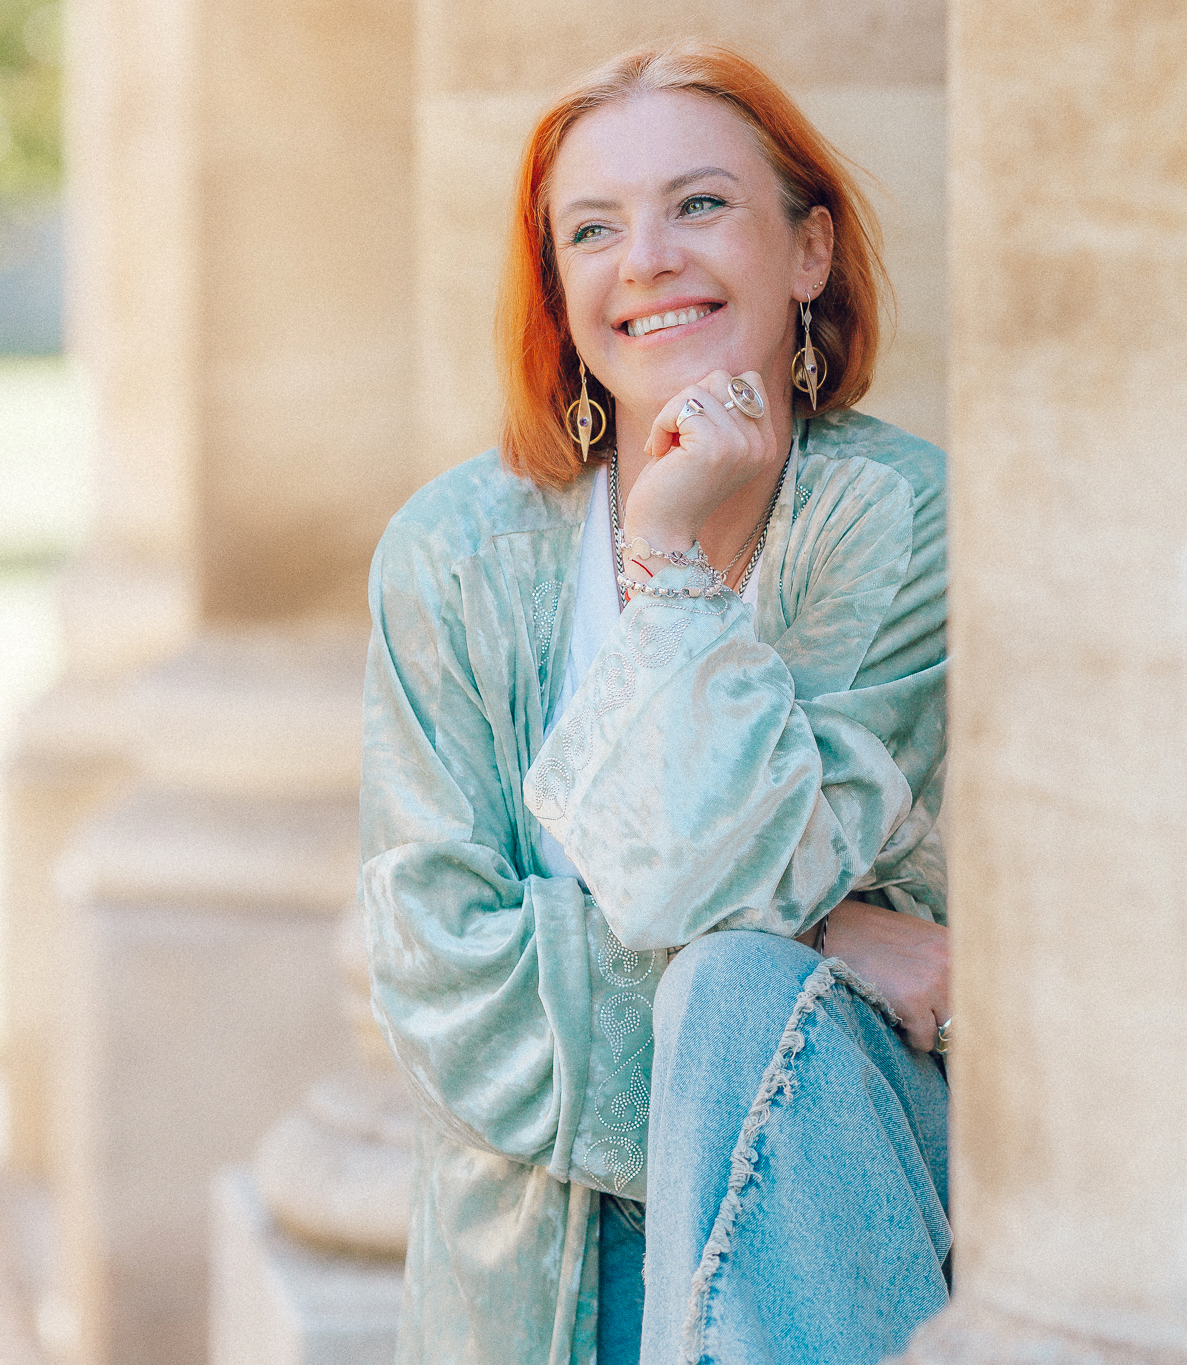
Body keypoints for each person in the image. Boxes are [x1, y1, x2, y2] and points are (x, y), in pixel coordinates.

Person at [361, 40, 950, 1365]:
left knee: (739, 989)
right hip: (544, 1250)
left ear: (808, 251)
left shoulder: (900, 518)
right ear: (558, 288)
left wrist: (671, 560)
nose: (645, 260)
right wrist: (830, 938)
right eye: (592, 229)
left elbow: (740, 882)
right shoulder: (453, 554)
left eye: (700, 204)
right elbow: (437, 962)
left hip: (826, 1193)